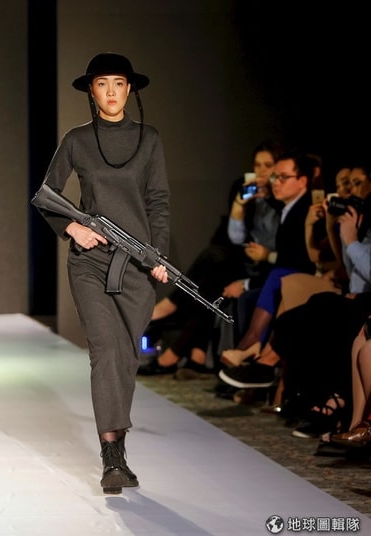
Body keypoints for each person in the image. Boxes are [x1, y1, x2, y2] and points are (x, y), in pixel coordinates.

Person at [34, 53, 169, 494]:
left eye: (119, 83)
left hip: (137, 267)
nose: (111, 92)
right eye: (102, 83)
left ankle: (119, 451)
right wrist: (70, 227)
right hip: (90, 263)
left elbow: (158, 202)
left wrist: (159, 256)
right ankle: (111, 457)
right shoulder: (76, 140)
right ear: (91, 91)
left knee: (126, 356)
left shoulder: (149, 139)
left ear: (130, 90)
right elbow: (46, 194)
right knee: (106, 349)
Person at [140, 140, 282, 376]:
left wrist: (265, 256)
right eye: (257, 165)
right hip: (242, 261)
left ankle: (174, 333)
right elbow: (236, 238)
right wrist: (240, 205)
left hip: (263, 267)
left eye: (268, 165)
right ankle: (193, 355)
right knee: (212, 281)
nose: (262, 171)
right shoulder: (245, 189)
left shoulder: (281, 198)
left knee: (215, 261)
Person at [217, 151, 317, 370]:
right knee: (243, 290)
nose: (275, 182)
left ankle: (251, 345)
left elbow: (300, 260)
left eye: (283, 177)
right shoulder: (287, 207)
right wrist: (240, 203)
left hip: (299, 278)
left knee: (273, 278)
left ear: (302, 181)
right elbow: (236, 239)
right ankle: (249, 356)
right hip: (275, 275)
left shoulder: (306, 209)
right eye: (275, 177)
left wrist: (251, 278)